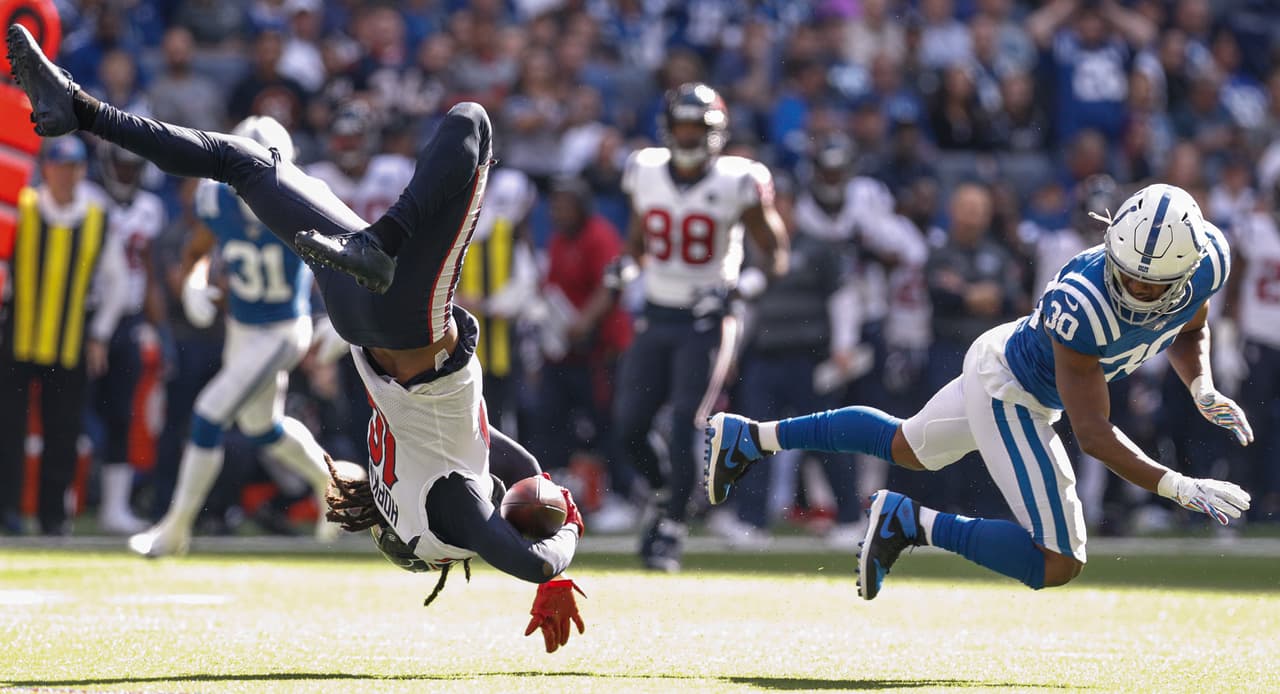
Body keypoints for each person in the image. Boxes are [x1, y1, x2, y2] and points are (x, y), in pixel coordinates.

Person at [6, 24, 585, 651]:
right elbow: (518, 464)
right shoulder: (434, 480)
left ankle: (380, 241)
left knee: (472, 121)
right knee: (240, 163)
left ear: (434, 554)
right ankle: (81, 108)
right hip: (354, 306)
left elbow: (527, 556)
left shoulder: (451, 512)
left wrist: (562, 548)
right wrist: (553, 508)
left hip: (407, 317)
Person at [706, 182, 1253, 600]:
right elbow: (1092, 434)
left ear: (1186, 271)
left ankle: (751, 438)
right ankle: (911, 522)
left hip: (1005, 359)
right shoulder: (1083, 302)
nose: (1133, 288)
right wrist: (1177, 486)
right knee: (1059, 560)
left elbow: (1189, 327)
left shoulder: (1208, 264)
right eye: (1127, 272)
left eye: (1148, 283)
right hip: (1014, 390)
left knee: (905, 446)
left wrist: (1200, 383)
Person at [127, 116, 335, 557]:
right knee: (262, 429)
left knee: (208, 414)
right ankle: (332, 484)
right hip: (242, 329)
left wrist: (338, 321)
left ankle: (175, 529)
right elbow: (198, 249)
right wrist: (194, 282)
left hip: (283, 329)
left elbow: (338, 265)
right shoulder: (215, 197)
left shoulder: (302, 199)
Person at [611, 82, 788, 571]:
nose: (689, 136)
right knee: (629, 424)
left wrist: (742, 286)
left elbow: (775, 253)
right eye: (683, 126)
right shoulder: (644, 170)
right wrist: (625, 269)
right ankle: (669, 488)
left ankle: (670, 527)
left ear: (718, 133)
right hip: (658, 312)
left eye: (699, 127)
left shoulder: (739, 180)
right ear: (668, 129)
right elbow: (636, 244)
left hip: (708, 318)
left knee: (688, 418)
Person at [0, 135, 127, 535]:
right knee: (7, 430)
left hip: (70, 342)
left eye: (72, 168)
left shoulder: (94, 217)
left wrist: (100, 335)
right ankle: (7, 513)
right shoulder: (22, 209)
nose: (64, 176)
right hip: (15, 341)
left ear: (81, 171)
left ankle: (53, 517)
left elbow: (117, 283)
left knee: (64, 433)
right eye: (58, 167)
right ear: (45, 169)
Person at [91, 142, 167, 535]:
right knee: (72, 412)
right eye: (121, 166)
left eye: (132, 167)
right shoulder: (91, 199)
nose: (126, 174)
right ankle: (66, 500)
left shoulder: (149, 207)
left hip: (130, 318)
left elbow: (150, 270)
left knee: (121, 412)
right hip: (87, 315)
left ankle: (114, 507)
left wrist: (159, 329)